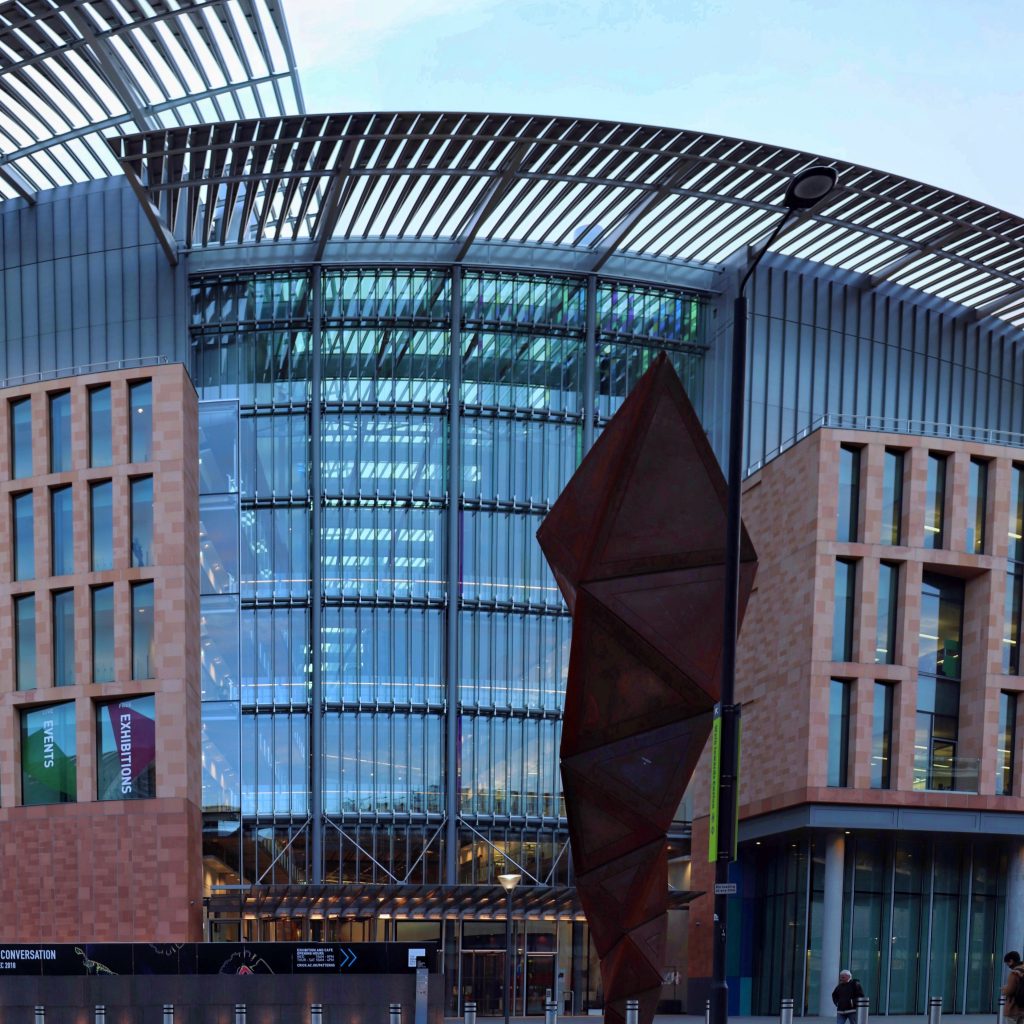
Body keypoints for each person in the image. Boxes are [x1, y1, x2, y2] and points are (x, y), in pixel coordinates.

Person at [1003, 951, 1024, 1024]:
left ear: (1011, 961)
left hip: (1013, 1007)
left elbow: (1009, 991)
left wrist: (1004, 989)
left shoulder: (1014, 973)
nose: (1008, 965)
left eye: (1007, 963)